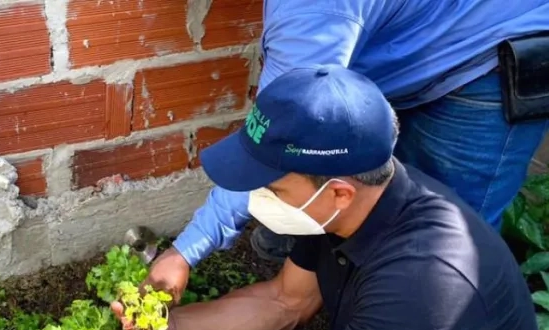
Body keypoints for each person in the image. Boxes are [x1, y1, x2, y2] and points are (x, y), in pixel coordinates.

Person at [89, 66, 539, 330]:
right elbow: (285, 301)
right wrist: (167, 324)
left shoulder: (426, 276)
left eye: (273, 187)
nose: (257, 197)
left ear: (339, 193)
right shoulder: (345, 205)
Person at [171, 0, 549, 269]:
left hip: (490, 49)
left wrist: (185, 252)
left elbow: (279, 138)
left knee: (450, 244)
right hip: (418, 33)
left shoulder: (313, 10)